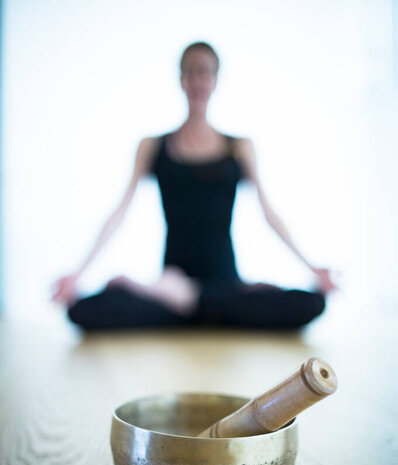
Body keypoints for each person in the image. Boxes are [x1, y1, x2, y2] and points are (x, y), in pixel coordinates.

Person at [51, 41, 338, 331]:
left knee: (312, 303)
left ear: (215, 80)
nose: (199, 80)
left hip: (224, 286)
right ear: (181, 79)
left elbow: (269, 213)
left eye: (206, 72)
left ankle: (192, 301)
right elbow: (120, 213)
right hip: (170, 287)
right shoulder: (153, 146)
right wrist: (77, 276)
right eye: (192, 72)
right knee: (81, 310)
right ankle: (194, 304)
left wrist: (312, 268)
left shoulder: (239, 146)